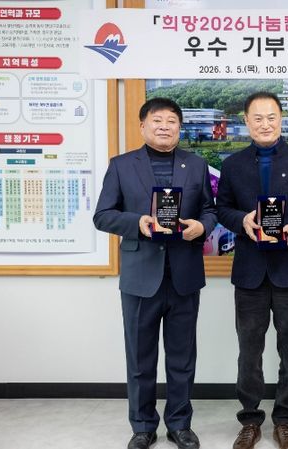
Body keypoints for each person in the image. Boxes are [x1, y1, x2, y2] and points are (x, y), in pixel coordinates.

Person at [93, 97, 217, 449]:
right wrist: (138, 223)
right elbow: (103, 215)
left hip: (184, 275)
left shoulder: (196, 164)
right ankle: (143, 426)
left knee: (182, 358)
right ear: (143, 126)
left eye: (171, 121)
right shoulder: (121, 165)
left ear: (180, 127)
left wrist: (201, 227)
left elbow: (209, 210)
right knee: (140, 358)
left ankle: (180, 424)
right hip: (140, 277)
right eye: (157, 120)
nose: (164, 126)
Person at [216, 91, 288, 449]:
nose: (265, 124)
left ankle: (285, 419)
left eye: (271, 117)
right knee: (249, 351)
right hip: (250, 273)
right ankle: (250, 419)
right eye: (257, 118)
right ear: (246, 121)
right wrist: (241, 220)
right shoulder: (232, 165)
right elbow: (222, 209)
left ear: (281, 119)